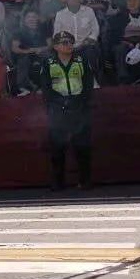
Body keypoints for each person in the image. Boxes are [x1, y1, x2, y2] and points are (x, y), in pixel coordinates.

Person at [40, 31, 94, 190]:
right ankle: (58, 182)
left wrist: (79, 101)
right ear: (56, 46)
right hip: (58, 109)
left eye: (70, 42)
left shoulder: (81, 60)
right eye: (64, 42)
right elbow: (46, 88)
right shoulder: (48, 63)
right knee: (57, 147)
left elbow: (88, 83)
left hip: (79, 107)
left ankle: (85, 181)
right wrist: (60, 102)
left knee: (82, 146)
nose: (68, 45)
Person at [53, 0, 100, 74]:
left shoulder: (89, 11)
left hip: (86, 45)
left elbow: (95, 29)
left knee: (90, 53)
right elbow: (57, 34)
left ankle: (92, 80)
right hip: (67, 46)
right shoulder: (60, 14)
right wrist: (66, 45)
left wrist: (88, 41)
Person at [11, 9, 50, 95]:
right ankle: (23, 87)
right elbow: (14, 48)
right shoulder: (19, 31)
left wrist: (40, 49)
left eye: (34, 16)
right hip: (26, 54)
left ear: (38, 18)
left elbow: (50, 45)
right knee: (23, 59)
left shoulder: (44, 29)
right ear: (24, 19)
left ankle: (47, 86)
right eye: (29, 17)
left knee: (48, 56)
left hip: (41, 52)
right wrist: (29, 51)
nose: (31, 19)